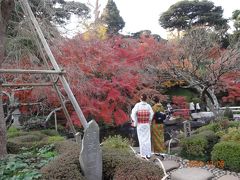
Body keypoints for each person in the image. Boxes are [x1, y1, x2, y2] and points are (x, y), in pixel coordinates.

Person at [131, 93, 154, 159]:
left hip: (140, 124)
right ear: (146, 99)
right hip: (146, 124)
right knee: (147, 138)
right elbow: (151, 114)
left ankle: (143, 154)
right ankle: (148, 154)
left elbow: (133, 114)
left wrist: (135, 122)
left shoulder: (138, 105)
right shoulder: (148, 106)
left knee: (141, 139)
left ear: (140, 99)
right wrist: (149, 121)